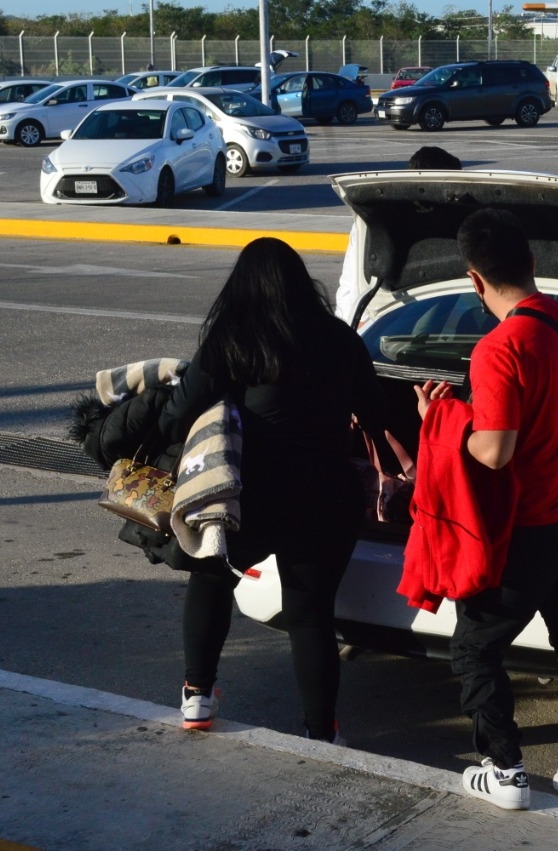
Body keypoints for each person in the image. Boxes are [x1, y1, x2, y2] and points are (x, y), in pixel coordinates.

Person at [413, 208, 558, 811]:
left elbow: (496, 452)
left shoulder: (499, 349)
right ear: (532, 264)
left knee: (476, 645)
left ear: (474, 280)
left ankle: (503, 770)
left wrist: (442, 422)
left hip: (535, 524)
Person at [157, 236, 391, 740]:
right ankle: (321, 731)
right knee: (311, 616)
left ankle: (197, 695)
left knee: (211, 577)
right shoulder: (337, 337)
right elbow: (376, 415)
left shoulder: (232, 338)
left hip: (250, 495)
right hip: (326, 494)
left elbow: (178, 417)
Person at [335, 146, 463, 325]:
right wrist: (354, 324)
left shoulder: (373, 220)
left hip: (370, 324)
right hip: (372, 322)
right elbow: (350, 286)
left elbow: (347, 289)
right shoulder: (373, 224)